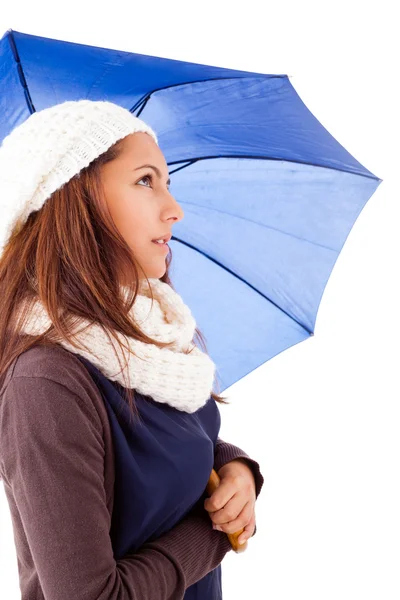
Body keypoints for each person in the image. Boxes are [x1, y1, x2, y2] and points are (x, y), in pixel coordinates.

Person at [0, 100, 264, 599]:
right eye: (146, 180)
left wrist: (236, 470)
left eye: (168, 182)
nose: (174, 208)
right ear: (75, 200)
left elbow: (161, 446)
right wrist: (214, 534)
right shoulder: (46, 383)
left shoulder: (150, 342)